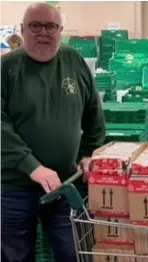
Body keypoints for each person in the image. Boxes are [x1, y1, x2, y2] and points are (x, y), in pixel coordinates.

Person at [1, 2, 105, 262]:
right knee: (15, 256)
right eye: (35, 26)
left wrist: (89, 152)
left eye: (50, 26)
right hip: (14, 187)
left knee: (74, 253)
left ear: (61, 30)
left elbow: (94, 112)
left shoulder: (73, 60)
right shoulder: (6, 68)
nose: (43, 33)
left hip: (66, 183)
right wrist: (31, 165)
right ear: (23, 30)